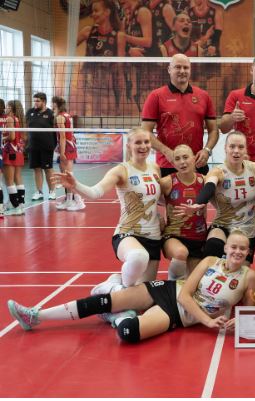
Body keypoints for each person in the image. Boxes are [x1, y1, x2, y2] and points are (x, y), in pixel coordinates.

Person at [7, 231, 255, 343]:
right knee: (103, 301)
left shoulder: (249, 276)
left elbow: (248, 312)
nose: (237, 252)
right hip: (170, 290)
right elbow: (184, 294)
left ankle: (118, 316)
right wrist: (207, 321)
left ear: (249, 252)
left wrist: (239, 321)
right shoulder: (210, 261)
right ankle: (36, 315)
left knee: (128, 332)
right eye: (233, 247)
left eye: (242, 248)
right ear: (226, 248)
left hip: (177, 315)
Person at [52, 128, 162, 292]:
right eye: (138, 142)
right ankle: (111, 289)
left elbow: (159, 199)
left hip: (153, 237)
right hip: (128, 233)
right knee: (138, 257)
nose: (143, 146)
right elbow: (95, 193)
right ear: (129, 146)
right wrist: (75, 185)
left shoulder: (155, 168)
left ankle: (113, 283)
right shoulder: (121, 170)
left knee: (144, 296)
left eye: (146, 142)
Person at [175, 131, 255, 264]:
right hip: (223, 224)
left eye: (240, 147)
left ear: (246, 149)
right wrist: (197, 203)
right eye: (232, 146)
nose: (236, 151)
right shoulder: (218, 171)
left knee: (239, 270)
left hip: (247, 228)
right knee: (213, 245)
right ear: (225, 148)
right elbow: (210, 185)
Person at [141, 53, 218, 177]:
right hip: (167, 164)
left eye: (186, 67)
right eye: (178, 67)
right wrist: (166, 152)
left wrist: (207, 150)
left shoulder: (204, 96)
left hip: (197, 163)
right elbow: (145, 131)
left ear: (190, 70)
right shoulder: (156, 96)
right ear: (169, 69)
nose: (182, 71)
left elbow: (213, 129)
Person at [161, 144, 208, 280]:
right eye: (177, 159)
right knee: (181, 253)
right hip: (174, 236)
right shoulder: (167, 182)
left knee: (194, 282)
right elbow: (148, 199)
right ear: (173, 163)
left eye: (185, 157)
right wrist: (157, 217)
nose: (182, 162)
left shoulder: (204, 181)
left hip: (198, 238)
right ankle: (172, 284)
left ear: (194, 158)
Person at [76, 0, 125, 115]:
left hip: (108, 77)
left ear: (107, 12)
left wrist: (119, 78)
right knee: (90, 109)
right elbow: (70, 46)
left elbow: (120, 63)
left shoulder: (119, 35)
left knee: (109, 110)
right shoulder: (88, 31)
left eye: (96, 11)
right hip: (89, 75)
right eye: (92, 11)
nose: (92, 14)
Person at [52, 96, 85, 212]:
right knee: (66, 176)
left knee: (68, 177)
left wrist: (62, 153)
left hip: (66, 147)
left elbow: (62, 136)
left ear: (56, 104)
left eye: (53, 104)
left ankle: (79, 201)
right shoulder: (67, 115)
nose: (52, 106)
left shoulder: (60, 117)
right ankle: (69, 200)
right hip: (70, 145)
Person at [26, 92, 56, 202]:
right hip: (33, 146)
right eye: (34, 101)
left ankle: (52, 191)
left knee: (48, 169)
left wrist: (56, 144)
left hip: (46, 146)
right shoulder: (30, 112)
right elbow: (26, 127)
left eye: (38, 101)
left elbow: (56, 131)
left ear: (44, 101)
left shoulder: (51, 114)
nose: (35, 103)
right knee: (36, 169)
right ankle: (39, 192)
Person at [2, 100, 26, 215]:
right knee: (18, 178)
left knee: (9, 180)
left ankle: (16, 205)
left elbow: (11, 137)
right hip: (18, 151)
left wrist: (2, 138)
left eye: (7, 106)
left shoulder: (10, 119)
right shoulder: (18, 119)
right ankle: (20, 205)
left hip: (10, 151)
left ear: (11, 108)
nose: (5, 108)